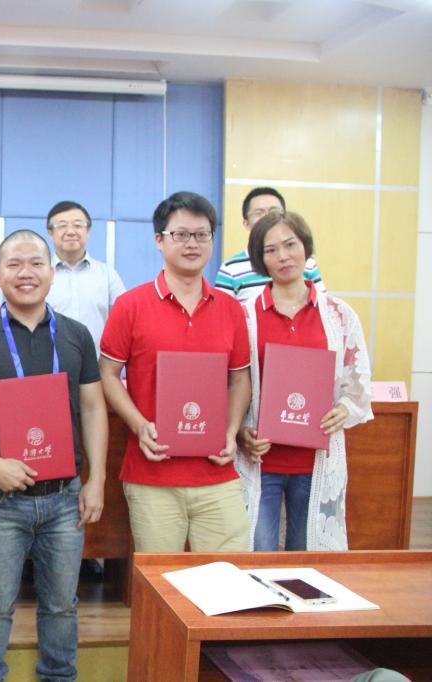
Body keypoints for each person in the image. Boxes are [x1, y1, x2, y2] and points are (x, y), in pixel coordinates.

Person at [0, 229, 108, 682]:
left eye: (35, 263)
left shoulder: (76, 336)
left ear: (52, 273)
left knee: (62, 604)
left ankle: (58, 675)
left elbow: (94, 408)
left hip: (65, 497)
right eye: (13, 264)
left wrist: (96, 480)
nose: (25, 272)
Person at [98, 191, 252, 553]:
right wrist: (139, 425)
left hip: (217, 472)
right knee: (160, 580)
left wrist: (231, 431)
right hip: (152, 473)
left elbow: (239, 380)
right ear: (159, 240)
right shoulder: (130, 305)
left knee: (228, 577)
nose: (192, 243)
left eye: (202, 234)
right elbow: (108, 374)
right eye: (180, 234)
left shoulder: (230, 309)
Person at [235, 212, 372, 551]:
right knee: (258, 554)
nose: (283, 256)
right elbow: (230, 383)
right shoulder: (244, 315)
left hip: (316, 460)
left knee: (308, 558)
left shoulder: (338, 314)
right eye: (271, 250)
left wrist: (344, 409)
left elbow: (357, 380)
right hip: (261, 460)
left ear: (305, 247)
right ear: (260, 259)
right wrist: (240, 430)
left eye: (290, 245)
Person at [215, 187, 326, 303]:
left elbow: (323, 305)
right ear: (246, 223)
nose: (268, 217)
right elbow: (222, 311)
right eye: (259, 212)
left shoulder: (306, 261)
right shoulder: (230, 268)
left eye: (274, 211)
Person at [44, 200, 125, 351]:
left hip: (97, 363)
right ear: (50, 233)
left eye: (77, 225)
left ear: (87, 231)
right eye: (62, 226)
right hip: (49, 362)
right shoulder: (40, 275)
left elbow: (124, 321)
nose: (70, 232)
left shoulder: (107, 275)